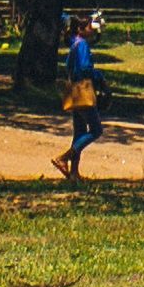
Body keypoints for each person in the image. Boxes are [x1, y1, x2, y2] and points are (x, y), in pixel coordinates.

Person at [55, 13, 104, 182]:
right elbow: (84, 68)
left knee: (80, 132)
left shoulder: (74, 44)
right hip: (83, 90)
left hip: (73, 92)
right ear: (80, 29)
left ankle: (74, 173)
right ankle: (64, 157)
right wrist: (98, 76)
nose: (92, 31)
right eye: (89, 27)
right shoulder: (82, 45)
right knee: (96, 130)